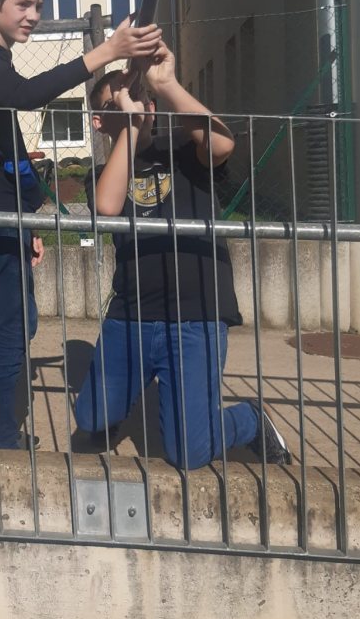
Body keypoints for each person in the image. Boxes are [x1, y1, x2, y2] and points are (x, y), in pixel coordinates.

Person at [0, 0, 162, 450]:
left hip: (6, 208)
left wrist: (29, 223)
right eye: (23, 5)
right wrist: (107, 50)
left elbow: (7, 141)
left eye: (38, 6)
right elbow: (24, 96)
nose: (33, 15)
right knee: (12, 326)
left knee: (19, 321)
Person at [73, 43, 292, 470]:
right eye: (119, 102)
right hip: (131, 317)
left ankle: (249, 420)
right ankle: (124, 400)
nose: (136, 105)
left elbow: (222, 144)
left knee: (188, 453)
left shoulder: (183, 151)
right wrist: (130, 127)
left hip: (195, 318)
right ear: (99, 121)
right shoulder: (102, 174)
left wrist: (166, 83)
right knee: (91, 419)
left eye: (140, 98)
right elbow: (107, 207)